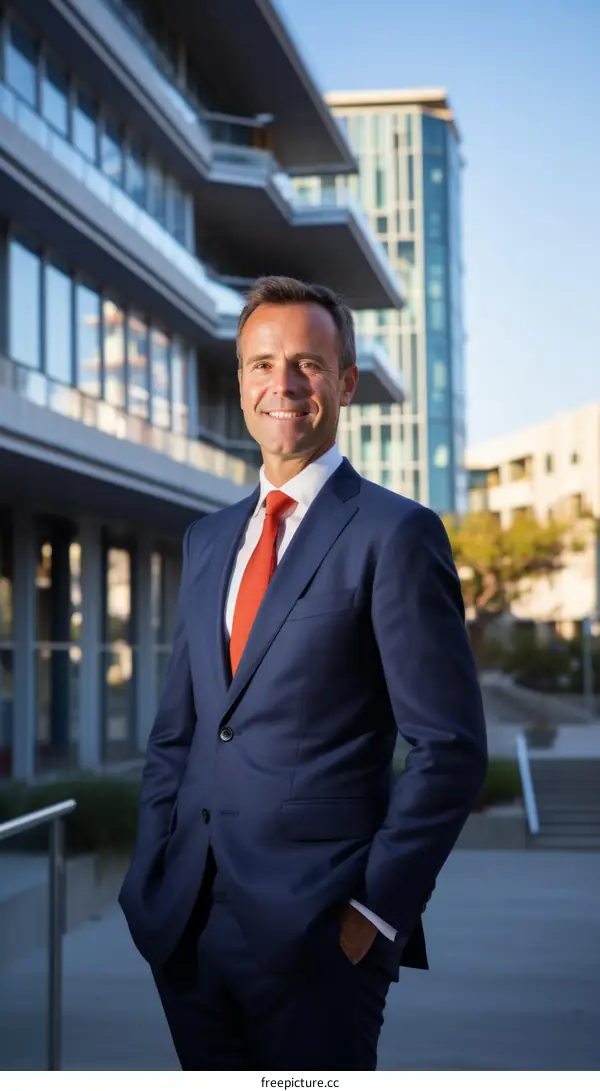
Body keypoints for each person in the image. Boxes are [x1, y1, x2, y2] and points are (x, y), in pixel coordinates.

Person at [119, 275, 488, 1071]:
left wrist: (373, 914)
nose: (282, 384)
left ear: (346, 382)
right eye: (261, 364)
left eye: (307, 365)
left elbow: (449, 747)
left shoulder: (397, 533)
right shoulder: (208, 539)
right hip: (184, 924)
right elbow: (179, 730)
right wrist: (149, 871)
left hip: (321, 936)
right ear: (241, 381)